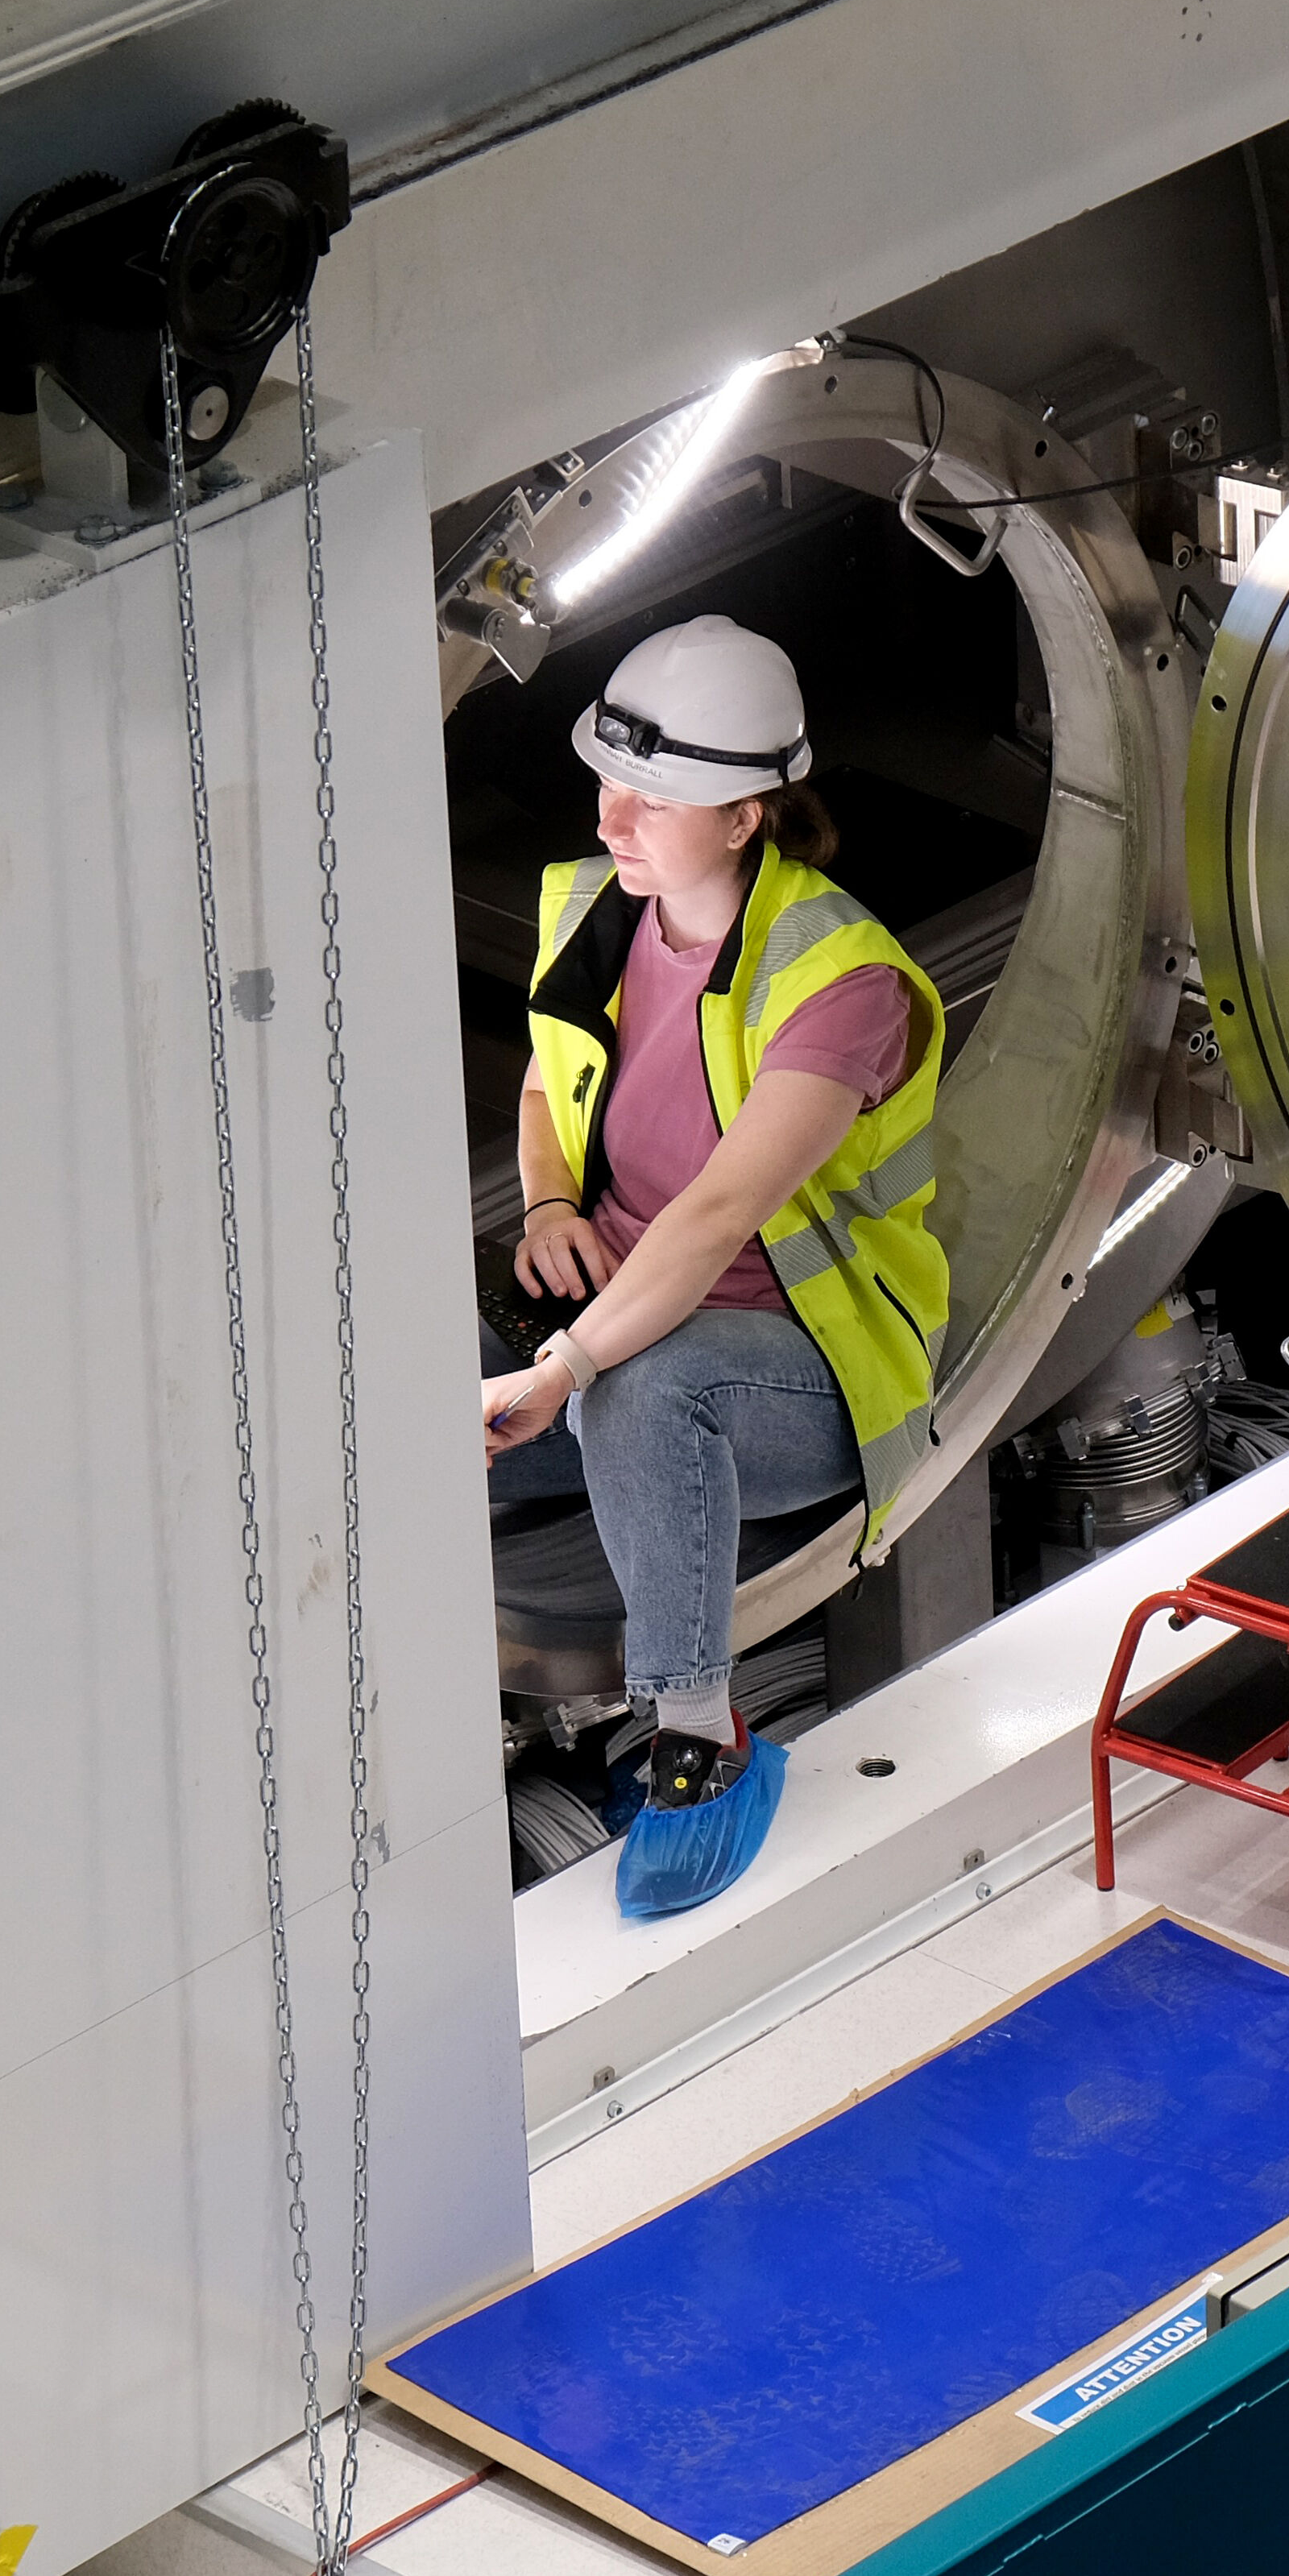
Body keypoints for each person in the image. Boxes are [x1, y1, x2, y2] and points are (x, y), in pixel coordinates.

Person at [479, 616, 947, 1916]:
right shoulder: (594, 907)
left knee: (641, 1389)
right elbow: (541, 1081)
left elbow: (717, 1212)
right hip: (625, 1303)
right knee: (405, 1381)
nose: (616, 819)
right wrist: (551, 1200)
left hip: (806, 1370)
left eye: (658, 798)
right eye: (609, 784)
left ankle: (699, 1733)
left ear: (747, 816)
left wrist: (568, 1362)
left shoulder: (839, 983)